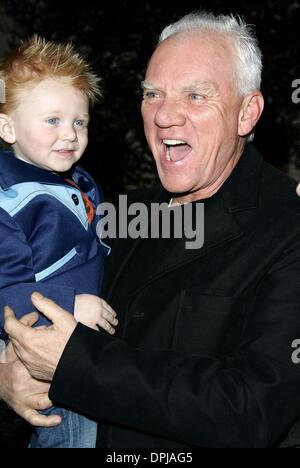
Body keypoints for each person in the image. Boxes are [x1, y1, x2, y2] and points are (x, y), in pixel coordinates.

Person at [3, 11, 300, 448]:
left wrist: (76, 364)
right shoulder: (116, 214)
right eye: (152, 94)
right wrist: (10, 382)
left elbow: (251, 410)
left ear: (247, 113)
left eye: (196, 95)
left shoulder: (287, 226)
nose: (165, 116)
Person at [0, 36, 118, 448]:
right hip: (42, 345)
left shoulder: (81, 183)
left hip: (85, 346)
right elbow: (5, 291)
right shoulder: (9, 199)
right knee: (72, 435)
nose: (69, 134)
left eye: (79, 121)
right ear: (7, 126)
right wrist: (69, 305)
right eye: (52, 120)